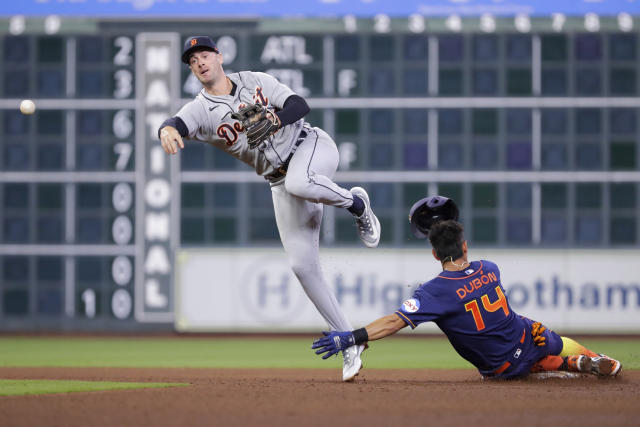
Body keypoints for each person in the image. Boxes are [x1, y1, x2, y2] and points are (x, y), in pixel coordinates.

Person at [158, 36, 381, 381]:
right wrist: (166, 131)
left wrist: (275, 120)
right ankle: (349, 340)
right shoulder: (200, 109)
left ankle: (356, 203)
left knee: (301, 182)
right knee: (302, 266)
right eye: (192, 60)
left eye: (204, 55)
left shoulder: (255, 81)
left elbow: (299, 105)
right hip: (279, 181)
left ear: (218, 57)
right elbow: (175, 122)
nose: (199, 62)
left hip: (312, 147)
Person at [312, 196, 622, 380]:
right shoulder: (490, 268)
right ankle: (588, 357)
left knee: (520, 368)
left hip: (502, 365)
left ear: (434, 254)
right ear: (466, 246)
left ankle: (570, 365)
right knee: (551, 340)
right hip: (530, 333)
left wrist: (352, 337)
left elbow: (395, 321)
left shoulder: (436, 291)